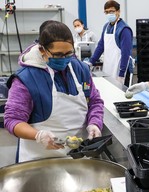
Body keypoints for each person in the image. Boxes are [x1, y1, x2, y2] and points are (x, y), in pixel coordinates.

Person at [4, 20, 104, 163]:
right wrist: (38, 135)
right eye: (58, 55)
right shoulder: (26, 78)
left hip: (79, 156)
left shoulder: (80, 69)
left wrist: (94, 123)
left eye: (69, 53)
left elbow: (95, 101)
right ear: (42, 50)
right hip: (40, 159)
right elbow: (12, 120)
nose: (64, 59)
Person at [88, 0, 134, 86]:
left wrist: (121, 74)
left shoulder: (124, 29)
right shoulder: (106, 26)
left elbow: (125, 54)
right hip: (109, 66)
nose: (109, 14)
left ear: (118, 12)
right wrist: (91, 62)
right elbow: (101, 46)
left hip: (120, 69)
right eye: (107, 12)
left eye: (112, 11)